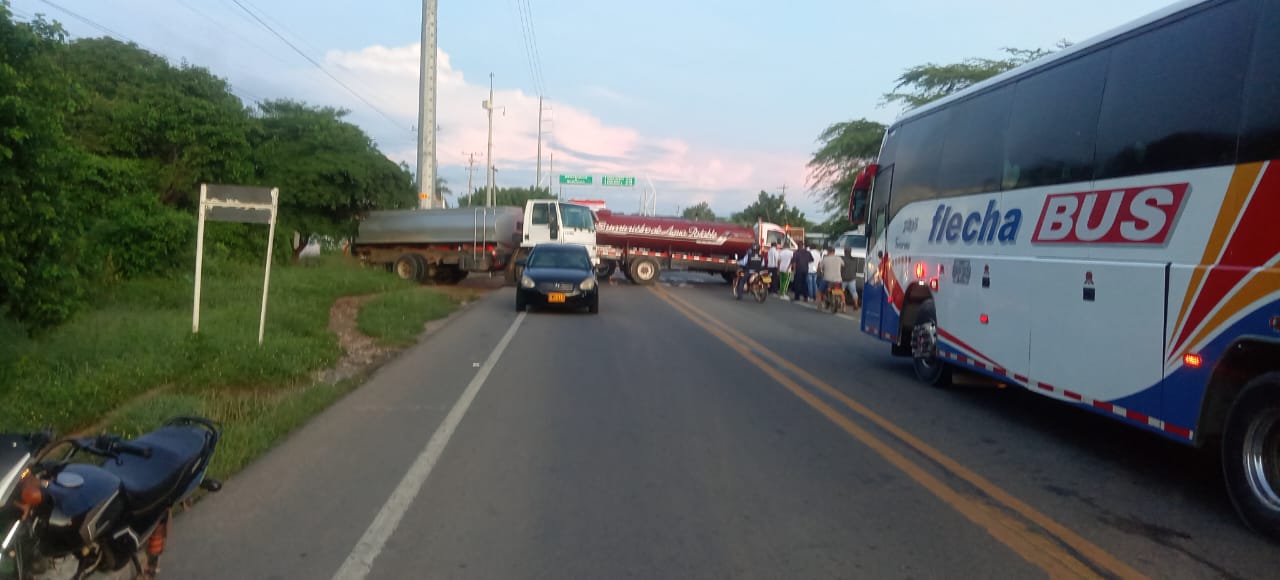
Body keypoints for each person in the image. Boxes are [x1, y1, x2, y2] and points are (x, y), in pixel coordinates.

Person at [818, 246, 845, 311]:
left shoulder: (825, 259)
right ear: (834, 252)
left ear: (828, 252)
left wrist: (819, 272)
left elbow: (819, 268)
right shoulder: (839, 258)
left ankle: (819, 305)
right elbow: (843, 265)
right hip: (838, 279)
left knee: (819, 291)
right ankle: (843, 304)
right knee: (840, 292)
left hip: (827, 279)